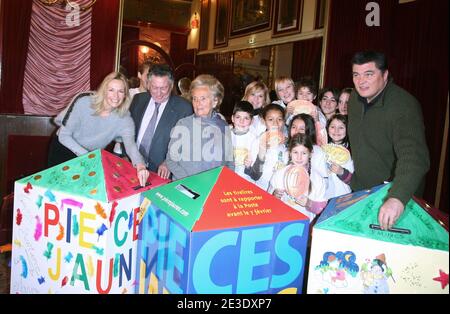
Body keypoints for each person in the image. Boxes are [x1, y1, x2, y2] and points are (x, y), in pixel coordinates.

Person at [348, 51, 430, 230]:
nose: (361, 81)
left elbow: (415, 158)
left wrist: (397, 197)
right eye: (356, 75)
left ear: (385, 75)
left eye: (369, 74)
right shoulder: (354, 99)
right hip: (362, 192)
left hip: (395, 200)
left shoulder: (404, 105)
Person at [48, 71, 149, 186]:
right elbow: (64, 136)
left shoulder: (124, 118)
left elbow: (130, 146)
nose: (116, 96)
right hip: (64, 150)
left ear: (125, 94)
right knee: (56, 189)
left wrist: (140, 165)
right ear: (104, 90)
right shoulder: (84, 101)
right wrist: (88, 156)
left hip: (89, 157)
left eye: (120, 91)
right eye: (111, 90)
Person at [130, 64, 193, 179]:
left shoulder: (184, 108)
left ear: (171, 85)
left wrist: (169, 162)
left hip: (160, 173)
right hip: (133, 166)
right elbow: (128, 131)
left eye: (164, 88)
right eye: (154, 87)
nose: (158, 93)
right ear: (148, 84)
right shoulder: (138, 99)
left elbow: (186, 142)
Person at [166, 74, 234, 180]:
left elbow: (229, 162)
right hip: (187, 187)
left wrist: (226, 182)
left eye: (203, 99)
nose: (198, 103)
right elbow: (171, 160)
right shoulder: (184, 124)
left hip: (214, 187)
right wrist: (191, 182)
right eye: (194, 99)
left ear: (215, 101)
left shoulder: (223, 126)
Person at [268, 133, 327, 221]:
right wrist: (274, 196)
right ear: (290, 153)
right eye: (295, 152)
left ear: (310, 154)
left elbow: (321, 209)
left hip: (305, 225)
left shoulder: (317, 179)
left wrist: (308, 203)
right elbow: (268, 203)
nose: (299, 157)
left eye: (304, 153)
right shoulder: (279, 174)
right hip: (282, 223)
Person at [324, 114, 353, 199]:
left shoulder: (352, 151)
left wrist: (342, 172)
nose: (336, 131)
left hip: (344, 196)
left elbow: (356, 180)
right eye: (332, 127)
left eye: (341, 127)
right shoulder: (322, 148)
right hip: (325, 197)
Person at [230, 101, 258, 182]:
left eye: (246, 118)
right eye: (238, 117)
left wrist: (249, 165)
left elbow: (255, 167)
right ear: (232, 118)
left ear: (252, 121)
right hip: (228, 176)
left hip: (246, 179)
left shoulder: (254, 139)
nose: (241, 121)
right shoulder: (227, 135)